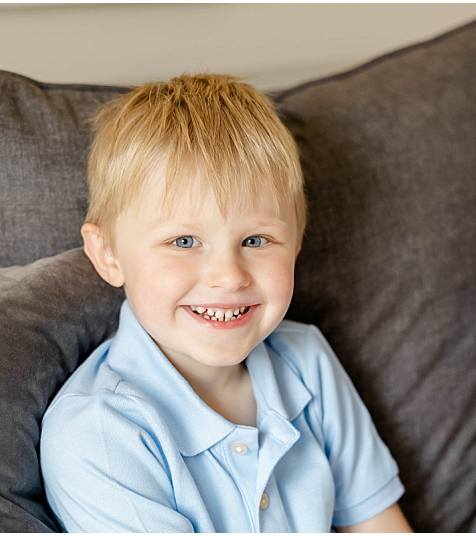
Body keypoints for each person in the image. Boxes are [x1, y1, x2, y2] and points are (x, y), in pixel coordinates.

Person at [40, 74, 412, 533]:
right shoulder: (98, 435)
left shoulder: (307, 361)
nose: (229, 276)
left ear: (295, 245)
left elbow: (379, 525)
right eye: (184, 240)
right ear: (108, 255)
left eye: (256, 239)